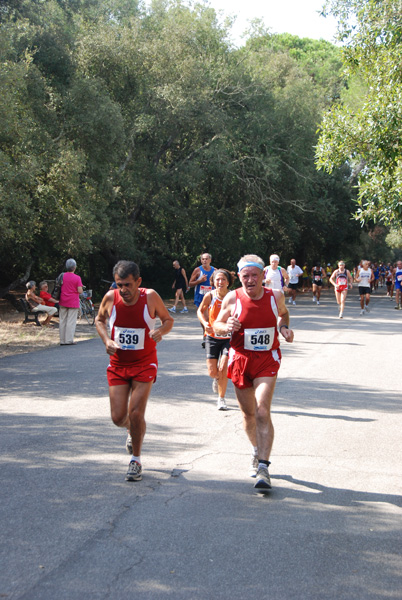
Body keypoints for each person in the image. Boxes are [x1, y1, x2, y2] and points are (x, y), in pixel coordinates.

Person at [213, 254, 294, 493]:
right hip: (240, 359)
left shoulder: (274, 296)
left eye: (254, 275)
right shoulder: (232, 297)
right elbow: (216, 324)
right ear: (239, 277)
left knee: (261, 410)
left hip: (267, 359)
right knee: (248, 415)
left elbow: (284, 314)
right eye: (245, 276)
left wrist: (284, 328)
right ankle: (256, 450)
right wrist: (226, 326)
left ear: (263, 276)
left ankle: (264, 468)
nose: (250, 280)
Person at [95, 260, 174, 482]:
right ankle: (133, 429)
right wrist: (106, 339)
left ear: (138, 281)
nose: (124, 290)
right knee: (118, 417)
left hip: (144, 363)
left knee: (136, 412)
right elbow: (99, 320)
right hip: (119, 365)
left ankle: (136, 460)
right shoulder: (111, 297)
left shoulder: (150, 297)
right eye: (119, 284)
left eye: (128, 284)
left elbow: (169, 320)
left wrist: (161, 330)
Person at [197, 269, 234, 411]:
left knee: (223, 367)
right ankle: (216, 378)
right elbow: (200, 310)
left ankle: (221, 398)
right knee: (213, 371)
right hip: (212, 337)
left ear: (228, 281)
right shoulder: (210, 296)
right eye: (217, 279)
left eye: (223, 279)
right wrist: (205, 323)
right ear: (213, 281)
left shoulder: (233, 296)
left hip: (229, 337)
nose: (220, 282)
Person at [59, 258, 83, 345]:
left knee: (62, 320)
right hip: (73, 301)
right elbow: (80, 291)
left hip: (63, 300)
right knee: (71, 321)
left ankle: (62, 340)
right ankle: (68, 340)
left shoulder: (62, 276)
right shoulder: (77, 278)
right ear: (74, 267)